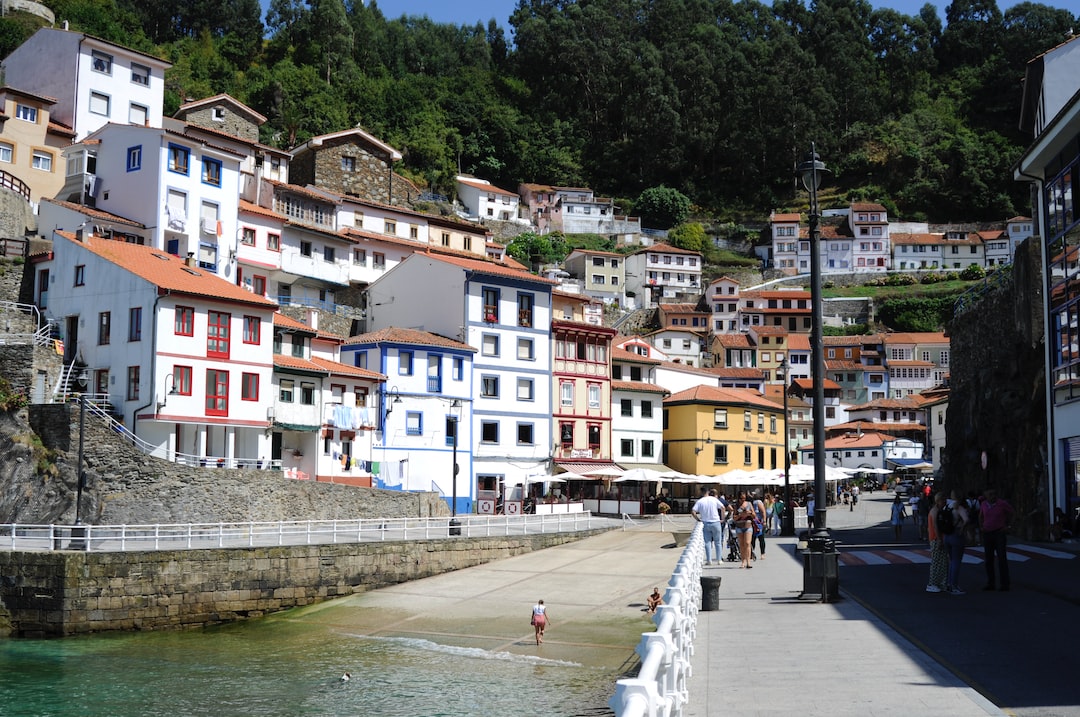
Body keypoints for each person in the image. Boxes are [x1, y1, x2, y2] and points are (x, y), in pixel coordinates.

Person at [979, 488, 1015, 591]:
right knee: (989, 559)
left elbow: (1012, 513)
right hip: (987, 533)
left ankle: (1005, 584)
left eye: (994, 494)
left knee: (1002, 558)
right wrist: (981, 526)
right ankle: (991, 583)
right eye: (990, 494)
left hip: (999, 532)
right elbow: (980, 516)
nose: (993, 496)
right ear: (986, 495)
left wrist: (1009, 526)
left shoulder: (1002, 503)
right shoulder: (984, 504)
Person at [943, 491, 969, 594]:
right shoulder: (959, 507)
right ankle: (954, 585)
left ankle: (949, 584)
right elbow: (966, 519)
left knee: (951, 561)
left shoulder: (947, 506)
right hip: (956, 535)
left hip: (946, 535)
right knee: (956, 561)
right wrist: (962, 529)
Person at [692, 488, 725, 565]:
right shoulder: (714, 499)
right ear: (708, 492)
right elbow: (723, 507)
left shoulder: (700, 501)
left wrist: (698, 519)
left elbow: (693, 511)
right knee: (718, 542)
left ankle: (709, 560)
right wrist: (722, 518)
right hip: (716, 522)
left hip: (705, 522)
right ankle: (719, 559)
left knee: (707, 542)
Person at [925, 492, 948, 593]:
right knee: (936, 562)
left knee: (942, 562)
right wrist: (939, 539)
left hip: (938, 538)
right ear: (938, 501)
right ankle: (932, 583)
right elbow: (935, 526)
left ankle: (941, 583)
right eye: (943, 500)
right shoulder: (935, 511)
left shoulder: (938, 510)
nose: (945, 502)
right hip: (935, 538)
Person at [732, 491, 756, 569]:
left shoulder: (749, 504)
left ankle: (748, 562)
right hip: (739, 526)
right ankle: (743, 562)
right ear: (738, 498)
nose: (743, 500)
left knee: (747, 543)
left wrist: (749, 514)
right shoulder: (736, 505)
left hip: (748, 525)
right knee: (741, 545)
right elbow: (734, 518)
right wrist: (740, 514)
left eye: (744, 498)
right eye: (741, 498)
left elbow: (754, 516)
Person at [752, 492, 768, 559]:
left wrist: (764, 521)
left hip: (759, 522)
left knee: (761, 538)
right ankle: (751, 553)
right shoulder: (752, 502)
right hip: (754, 522)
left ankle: (762, 553)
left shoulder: (758, 502)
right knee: (753, 538)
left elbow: (763, 511)